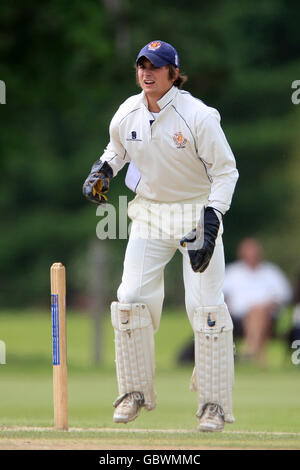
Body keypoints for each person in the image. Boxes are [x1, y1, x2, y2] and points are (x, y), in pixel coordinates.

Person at [82, 40, 239, 432]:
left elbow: (225, 172)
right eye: (141, 66)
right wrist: (103, 170)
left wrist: (212, 218)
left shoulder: (198, 116)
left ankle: (214, 405)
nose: (147, 73)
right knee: (130, 298)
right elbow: (117, 149)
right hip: (150, 213)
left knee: (207, 309)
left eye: (156, 66)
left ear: (173, 72)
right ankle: (133, 392)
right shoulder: (128, 111)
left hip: (195, 211)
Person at [223, 237, 292, 365]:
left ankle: (250, 349)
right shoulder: (233, 272)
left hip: (268, 316)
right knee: (256, 312)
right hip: (237, 318)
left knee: (258, 311)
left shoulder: (271, 272)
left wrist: (268, 305)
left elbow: (284, 295)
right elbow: (222, 296)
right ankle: (257, 354)